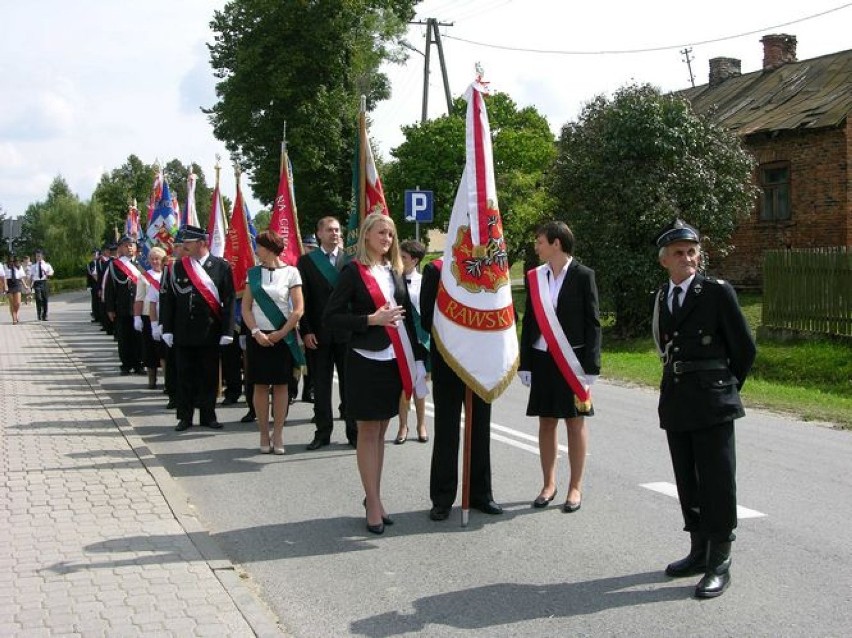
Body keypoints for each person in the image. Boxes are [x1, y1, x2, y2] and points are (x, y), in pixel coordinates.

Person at [652, 218, 756, 599]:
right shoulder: (662, 297)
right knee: (688, 480)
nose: (687, 258)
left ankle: (719, 563)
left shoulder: (716, 293)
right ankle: (698, 552)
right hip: (677, 399)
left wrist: (724, 388)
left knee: (717, 482)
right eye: (679, 253)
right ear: (665, 260)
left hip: (713, 401)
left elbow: (744, 349)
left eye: (692, 251)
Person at [323, 213, 427, 534]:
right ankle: (372, 501)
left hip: (392, 360)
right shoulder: (352, 272)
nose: (387, 239)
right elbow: (332, 317)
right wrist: (370, 320)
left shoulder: (393, 272)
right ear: (367, 235)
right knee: (368, 431)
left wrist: (419, 359)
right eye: (381, 233)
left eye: (391, 235)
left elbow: (405, 319)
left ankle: (375, 498)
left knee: (381, 430)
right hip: (364, 359)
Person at [519, 221, 601, 514]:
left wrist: (591, 365)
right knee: (546, 421)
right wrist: (525, 362)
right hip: (542, 359)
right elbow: (529, 321)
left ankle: (575, 487)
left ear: (556, 243)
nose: (536, 246)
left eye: (540, 241)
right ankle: (548, 484)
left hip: (573, 362)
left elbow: (593, 322)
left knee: (575, 422)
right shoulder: (535, 277)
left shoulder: (583, 276)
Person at [422, 258, 503, 521]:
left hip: (480, 361)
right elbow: (426, 318)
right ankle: (442, 498)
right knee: (446, 430)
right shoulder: (436, 269)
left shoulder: (488, 268)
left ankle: (481, 494)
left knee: (480, 427)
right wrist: (460, 332)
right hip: (448, 360)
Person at [160, 225, 236, 432]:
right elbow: (168, 300)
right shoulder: (177, 267)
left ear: (202, 243)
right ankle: (184, 417)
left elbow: (229, 301)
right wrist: (166, 328)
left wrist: (228, 331)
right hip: (183, 332)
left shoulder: (221, 267)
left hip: (210, 332)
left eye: (188, 243)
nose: (184, 247)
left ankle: (208, 415)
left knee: (209, 376)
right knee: (184, 375)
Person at [241, 231, 304, 454]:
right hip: (258, 336)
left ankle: (278, 434)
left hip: (282, 336)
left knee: (281, 385)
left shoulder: (291, 272)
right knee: (259, 385)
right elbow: (246, 307)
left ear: (269, 248)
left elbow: (298, 309)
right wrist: (256, 331)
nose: (256, 250)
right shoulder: (253, 273)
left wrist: (282, 332)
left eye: (258, 246)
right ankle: (263, 433)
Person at [297, 216, 357, 449]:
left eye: (337, 230)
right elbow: (304, 301)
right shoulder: (306, 262)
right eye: (330, 230)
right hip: (319, 334)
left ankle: (353, 432)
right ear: (319, 233)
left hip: (346, 333)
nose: (335, 234)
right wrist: (306, 331)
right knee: (321, 386)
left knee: (349, 385)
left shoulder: (351, 260)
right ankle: (322, 432)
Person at [394, 239, 430, 445]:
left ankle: (421, 424)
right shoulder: (392, 279)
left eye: (404, 257)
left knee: (419, 384)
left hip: (418, 340)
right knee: (403, 384)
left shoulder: (424, 281)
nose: (399, 260)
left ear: (415, 260)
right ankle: (402, 425)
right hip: (399, 338)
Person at [104, 236, 145, 375]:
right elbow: (109, 288)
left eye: (132, 245)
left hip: (139, 308)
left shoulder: (141, 265)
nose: (129, 248)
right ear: (120, 248)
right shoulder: (115, 265)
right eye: (126, 245)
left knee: (138, 337)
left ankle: (139, 363)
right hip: (122, 308)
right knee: (124, 338)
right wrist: (110, 308)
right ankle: (126, 364)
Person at [135, 246, 166, 389]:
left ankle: (168, 381)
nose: (155, 261)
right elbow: (139, 299)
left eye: (157, 259)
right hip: (148, 316)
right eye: (152, 259)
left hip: (165, 317)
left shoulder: (168, 274)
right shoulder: (144, 277)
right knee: (150, 350)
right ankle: (151, 380)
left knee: (164, 351)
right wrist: (137, 317)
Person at [29, 249, 54, 321]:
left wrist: (48, 273)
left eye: (39, 256)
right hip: (37, 283)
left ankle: (45, 315)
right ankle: (39, 314)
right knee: (38, 298)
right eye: (36, 256)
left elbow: (51, 272)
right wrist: (29, 286)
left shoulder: (47, 265)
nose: (38, 257)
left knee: (45, 299)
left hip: (44, 282)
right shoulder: (33, 266)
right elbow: (31, 276)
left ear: (42, 256)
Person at [3, 256, 27, 324]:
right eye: (11, 261)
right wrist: (5, 286)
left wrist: (25, 285)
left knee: (18, 303)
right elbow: (4, 276)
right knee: (12, 303)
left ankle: (16, 314)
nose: (12, 263)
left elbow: (21, 277)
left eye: (14, 261)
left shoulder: (19, 267)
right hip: (9, 284)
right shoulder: (5, 266)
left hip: (17, 284)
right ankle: (14, 318)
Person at [86, 248, 100, 322]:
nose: (95, 256)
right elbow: (88, 276)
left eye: (96, 254)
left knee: (100, 302)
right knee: (94, 301)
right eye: (93, 255)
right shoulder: (90, 264)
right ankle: (95, 316)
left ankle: (101, 317)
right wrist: (88, 285)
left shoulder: (101, 262)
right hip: (94, 285)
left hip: (100, 284)